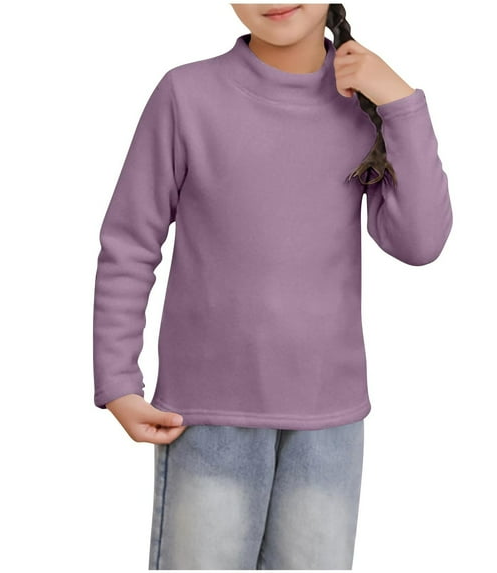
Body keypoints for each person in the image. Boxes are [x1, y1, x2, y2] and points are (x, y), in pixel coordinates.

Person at [92, 3, 453, 570]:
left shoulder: (365, 103)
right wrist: (117, 380)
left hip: (329, 420)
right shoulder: (186, 95)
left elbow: (419, 242)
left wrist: (402, 104)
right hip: (207, 414)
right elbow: (130, 242)